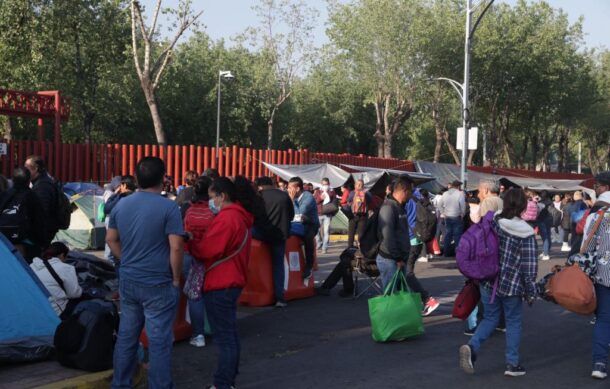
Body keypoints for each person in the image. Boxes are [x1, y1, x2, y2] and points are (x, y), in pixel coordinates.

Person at [106, 157, 184, 389]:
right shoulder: (169, 207)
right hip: (158, 281)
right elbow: (176, 247)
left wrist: (127, 259)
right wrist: (177, 278)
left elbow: (111, 240)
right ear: (163, 178)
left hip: (129, 279)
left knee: (127, 337)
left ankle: (120, 384)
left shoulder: (121, 204)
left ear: (137, 178)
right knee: (159, 341)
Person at [459, 188, 537, 377]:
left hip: (488, 280)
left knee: (490, 318)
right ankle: (512, 364)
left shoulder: (493, 221)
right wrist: (531, 290)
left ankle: (472, 346)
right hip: (513, 284)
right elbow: (529, 265)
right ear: (523, 206)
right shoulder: (526, 232)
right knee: (513, 322)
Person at [188, 177, 254, 389]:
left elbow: (208, 249)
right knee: (230, 335)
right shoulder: (240, 217)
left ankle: (223, 383)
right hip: (231, 280)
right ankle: (228, 380)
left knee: (225, 338)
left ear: (222, 196)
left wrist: (190, 242)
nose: (210, 202)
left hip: (220, 282)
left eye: (212, 197)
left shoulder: (228, 218)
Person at [581, 171, 610, 380]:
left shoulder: (599, 214)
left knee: (603, 319)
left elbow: (587, 246)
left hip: (603, 275)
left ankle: (599, 364)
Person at [183, 176, 215, 347]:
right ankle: (212, 329)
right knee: (210, 293)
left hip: (189, 255)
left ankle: (198, 333)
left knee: (194, 296)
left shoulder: (188, 210)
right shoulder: (213, 211)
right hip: (209, 257)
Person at [255, 176, 294, 307]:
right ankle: (280, 299)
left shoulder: (258, 197)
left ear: (260, 186)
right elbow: (291, 215)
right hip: (280, 235)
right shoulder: (283, 196)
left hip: (262, 234)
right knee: (278, 266)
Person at [405, 189, 440, 316]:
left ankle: (427, 299)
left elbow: (405, 219)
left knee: (407, 273)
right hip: (418, 239)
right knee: (406, 273)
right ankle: (416, 301)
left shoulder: (408, 199)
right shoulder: (420, 197)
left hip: (410, 239)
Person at [0, 167, 46, 261]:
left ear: (13, 180)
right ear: (29, 181)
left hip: (4, 241)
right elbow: (40, 222)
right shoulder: (33, 197)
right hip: (26, 243)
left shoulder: (4, 196)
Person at [375, 176, 413, 289]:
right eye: (411, 191)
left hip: (399, 259)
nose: (412, 195)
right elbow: (388, 235)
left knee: (399, 297)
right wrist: (398, 258)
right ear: (404, 191)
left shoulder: (400, 207)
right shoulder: (388, 207)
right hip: (390, 260)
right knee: (391, 298)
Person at [30, 242, 82, 318]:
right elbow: (74, 294)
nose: (65, 259)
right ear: (61, 255)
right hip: (56, 312)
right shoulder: (65, 268)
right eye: (66, 257)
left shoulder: (32, 266)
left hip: (35, 308)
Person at [287, 176, 319, 280]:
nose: (288, 190)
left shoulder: (308, 197)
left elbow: (300, 213)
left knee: (308, 236)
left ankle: (309, 266)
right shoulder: (292, 196)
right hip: (297, 223)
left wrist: (291, 200)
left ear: (297, 188)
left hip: (311, 224)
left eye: (290, 187)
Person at [24, 155, 58, 247]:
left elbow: (41, 210)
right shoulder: (39, 182)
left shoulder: (42, 186)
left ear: (35, 169)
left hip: (43, 229)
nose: (24, 171)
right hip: (44, 228)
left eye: (26, 168)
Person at [439, 180, 466, 256]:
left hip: (447, 217)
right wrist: (462, 214)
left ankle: (446, 253)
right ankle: (458, 254)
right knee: (457, 236)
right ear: (458, 186)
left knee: (448, 235)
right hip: (457, 217)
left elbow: (439, 205)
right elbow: (463, 206)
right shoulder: (460, 194)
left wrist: (443, 213)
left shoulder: (445, 193)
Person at [347, 179, 373, 248]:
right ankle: (360, 248)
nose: (359, 186)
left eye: (360, 185)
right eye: (358, 184)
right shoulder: (367, 193)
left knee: (351, 232)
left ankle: (350, 247)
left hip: (353, 215)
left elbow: (348, 201)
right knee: (360, 233)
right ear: (355, 185)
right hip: (363, 216)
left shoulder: (352, 193)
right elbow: (370, 200)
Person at [314, 178, 336, 254]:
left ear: (329, 184)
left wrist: (329, 195)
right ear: (321, 184)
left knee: (326, 231)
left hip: (328, 214)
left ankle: (324, 247)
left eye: (326, 184)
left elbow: (335, 203)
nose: (325, 186)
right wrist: (320, 198)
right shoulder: (318, 191)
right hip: (319, 213)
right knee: (315, 230)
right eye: (323, 184)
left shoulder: (332, 192)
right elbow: (315, 201)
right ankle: (319, 242)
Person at [535, 190, 553, 261]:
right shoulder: (550, 202)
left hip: (542, 220)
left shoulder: (540, 203)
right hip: (549, 219)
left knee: (544, 237)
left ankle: (546, 254)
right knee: (548, 236)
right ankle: (546, 251)